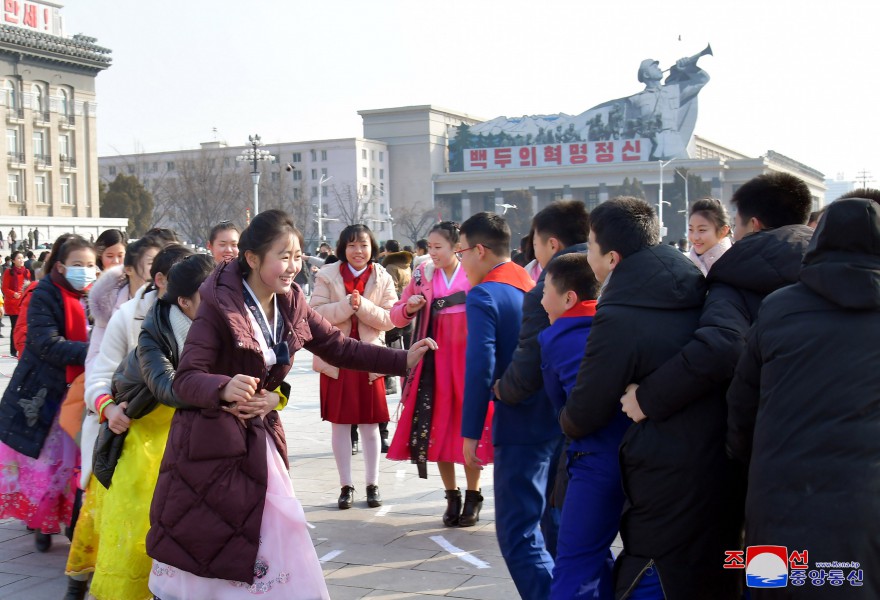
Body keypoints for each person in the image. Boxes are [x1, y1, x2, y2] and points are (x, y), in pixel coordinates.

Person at [146, 209, 435, 599]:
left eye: (297, 256)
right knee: (219, 541)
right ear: (252, 258)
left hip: (258, 441)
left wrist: (401, 360)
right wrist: (224, 387)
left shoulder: (291, 301)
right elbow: (186, 378)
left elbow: (337, 347)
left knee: (277, 533)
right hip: (211, 446)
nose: (293, 267)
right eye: (283, 256)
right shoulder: (218, 304)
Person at [561, 197, 733, 598]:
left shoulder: (620, 313)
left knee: (651, 572)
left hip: (660, 465)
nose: (587, 255)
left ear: (613, 258)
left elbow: (584, 411)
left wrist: (565, 421)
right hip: (715, 455)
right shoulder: (696, 281)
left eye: (590, 245)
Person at [727, 197, 880, 598]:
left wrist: (751, 467)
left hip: (777, 499)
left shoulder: (779, 308)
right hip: (866, 503)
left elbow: (741, 407)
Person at [88, 254, 215, 600]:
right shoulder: (139, 322)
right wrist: (108, 408)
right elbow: (105, 378)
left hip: (193, 443)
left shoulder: (217, 325)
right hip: (142, 447)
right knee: (140, 542)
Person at [458, 212, 560, 600]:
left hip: (519, 425)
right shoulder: (534, 286)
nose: (461, 260)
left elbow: (480, 365)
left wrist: (470, 432)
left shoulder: (484, 294)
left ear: (480, 250)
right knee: (551, 525)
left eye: (462, 251)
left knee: (518, 534)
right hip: (555, 419)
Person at [493, 200, 590, 557]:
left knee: (555, 518)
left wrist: (503, 389)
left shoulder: (548, 289)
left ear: (552, 244)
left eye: (534, 242)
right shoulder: (615, 275)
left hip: (561, 420)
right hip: (619, 421)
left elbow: (530, 362)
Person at [387, 221, 492, 526]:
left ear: (456, 247)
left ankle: (473, 495)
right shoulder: (421, 275)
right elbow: (396, 313)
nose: (431, 253)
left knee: (468, 425)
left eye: (438, 247)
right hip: (434, 359)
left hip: (467, 358)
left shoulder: (474, 272)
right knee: (439, 426)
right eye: (429, 247)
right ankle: (452, 495)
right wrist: (410, 306)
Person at [537, 253, 625, 599]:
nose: (542, 299)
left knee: (575, 561)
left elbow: (563, 407)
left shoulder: (555, 337)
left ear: (569, 297)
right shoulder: (616, 321)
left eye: (545, 290)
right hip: (645, 454)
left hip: (594, 459)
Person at [0, 235, 96, 552]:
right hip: (44, 395)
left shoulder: (94, 297)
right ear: (60, 266)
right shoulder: (44, 293)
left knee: (75, 464)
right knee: (48, 464)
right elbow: (43, 342)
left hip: (82, 393)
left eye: (90, 265)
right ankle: (43, 522)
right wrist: (96, 351)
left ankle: (70, 520)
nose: (86, 271)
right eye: (78, 265)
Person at [311, 224, 397, 509]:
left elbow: (391, 318)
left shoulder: (382, 276)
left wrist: (362, 308)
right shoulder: (327, 274)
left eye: (363, 244)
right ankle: (345, 485)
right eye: (351, 245)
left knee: (371, 424)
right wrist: (348, 305)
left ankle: (372, 484)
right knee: (340, 424)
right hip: (337, 358)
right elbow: (316, 314)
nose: (358, 251)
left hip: (369, 358)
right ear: (342, 248)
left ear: (372, 246)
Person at [686, 197, 731, 275]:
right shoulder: (683, 265)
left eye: (702, 230)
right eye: (691, 229)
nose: (695, 237)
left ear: (723, 231)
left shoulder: (735, 264)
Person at [2, 250, 31, 357]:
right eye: (18, 258)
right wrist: (14, 294)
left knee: (25, 327)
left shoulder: (26, 272)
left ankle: (23, 348)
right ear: (13, 261)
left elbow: (29, 286)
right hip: (13, 304)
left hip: (24, 302)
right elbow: (5, 288)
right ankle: (13, 350)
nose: (21, 260)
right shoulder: (9, 272)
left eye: (22, 258)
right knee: (15, 327)